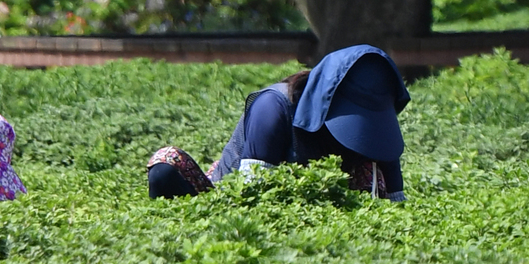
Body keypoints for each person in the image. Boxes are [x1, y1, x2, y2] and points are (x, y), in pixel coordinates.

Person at [147, 44, 410, 201]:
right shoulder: (274, 107)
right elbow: (251, 198)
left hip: (329, 212)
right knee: (166, 163)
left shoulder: (377, 134)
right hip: (234, 200)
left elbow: (397, 205)